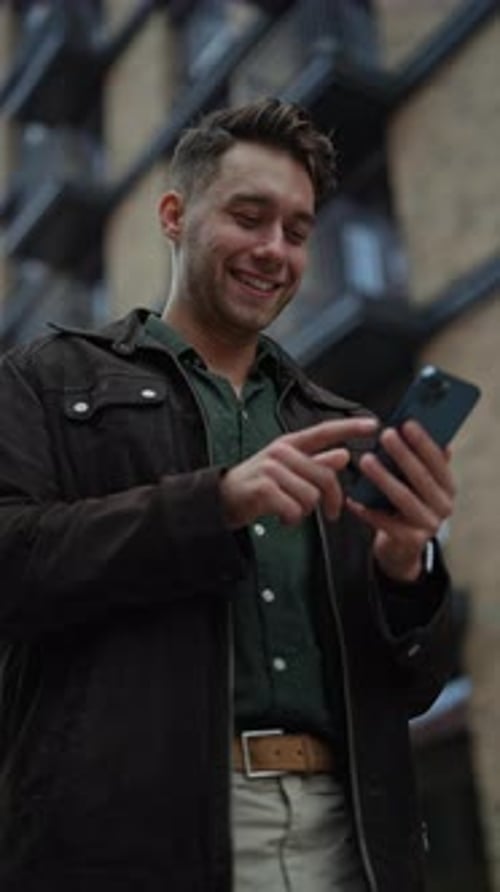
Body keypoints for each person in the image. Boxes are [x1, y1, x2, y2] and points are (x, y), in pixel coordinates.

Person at [0, 98, 455, 892]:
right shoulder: (46, 378)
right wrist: (213, 504)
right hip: (132, 840)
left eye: (298, 230)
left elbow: (409, 689)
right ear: (174, 214)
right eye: (249, 217)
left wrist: (403, 571)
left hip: (347, 844)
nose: (274, 250)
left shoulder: (340, 426)